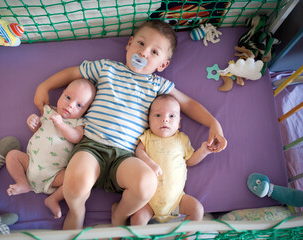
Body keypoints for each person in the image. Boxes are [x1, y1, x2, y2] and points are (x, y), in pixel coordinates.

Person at [33, 20, 227, 230]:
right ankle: (77, 210)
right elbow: (73, 73)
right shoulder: (107, 68)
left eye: (154, 52)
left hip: (125, 156)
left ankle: (120, 212)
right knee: (75, 184)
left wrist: (213, 124)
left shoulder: (157, 85)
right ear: (129, 44)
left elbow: (187, 103)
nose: (143, 53)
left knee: (147, 184)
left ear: (162, 65)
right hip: (91, 146)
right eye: (141, 44)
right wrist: (45, 86)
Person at [6, 79, 96, 218]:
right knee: (12, 155)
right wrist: (33, 122)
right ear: (61, 94)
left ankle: (53, 198)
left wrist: (62, 125)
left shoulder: (78, 122)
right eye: (67, 97)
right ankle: (22, 182)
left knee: (72, 179)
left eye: (79, 105)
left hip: (54, 174)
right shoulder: (49, 111)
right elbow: (38, 129)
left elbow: (76, 137)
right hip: (30, 163)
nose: (70, 105)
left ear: (85, 111)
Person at [131, 94, 213, 226]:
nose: (165, 120)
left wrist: (203, 151)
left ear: (179, 123)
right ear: (149, 120)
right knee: (137, 219)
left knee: (197, 209)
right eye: (158, 115)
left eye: (171, 116)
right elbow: (139, 151)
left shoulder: (182, 139)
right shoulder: (147, 136)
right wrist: (150, 164)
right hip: (148, 202)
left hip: (177, 200)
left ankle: (186, 236)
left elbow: (190, 161)